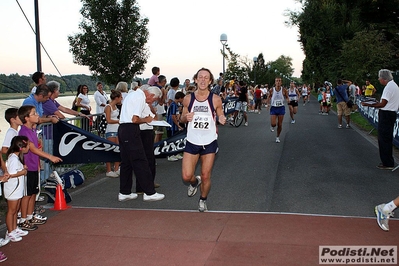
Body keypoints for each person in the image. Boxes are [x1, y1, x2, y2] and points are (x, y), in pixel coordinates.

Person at [180, 67, 226, 212]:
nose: (203, 80)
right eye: (200, 77)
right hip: (192, 141)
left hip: (209, 142)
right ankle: (194, 182)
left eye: (206, 77)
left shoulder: (215, 99)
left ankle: (203, 200)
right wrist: (185, 118)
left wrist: (222, 118)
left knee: (206, 175)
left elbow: (220, 114)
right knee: (187, 176)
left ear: (210, 81)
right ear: (195, 79)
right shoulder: (188, 98)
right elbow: (182, 117)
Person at [17, 105, 62, 231]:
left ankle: (30, 216)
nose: (37, 115)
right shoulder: (23, 132)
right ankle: (23, 219)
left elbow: (39, 123)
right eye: (34, 113)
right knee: (27, 194)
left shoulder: (32, 129)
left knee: (33, 193)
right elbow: (32, 148)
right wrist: (50, 157)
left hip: (34, 166)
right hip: (27, 167)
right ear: (26, 118)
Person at [118, 85, 165, 202]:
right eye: (153, 100)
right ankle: (149, 192)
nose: (152, 102)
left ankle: (124, 192)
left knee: (126, 162)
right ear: (151, 95)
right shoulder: (140, 97)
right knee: (140, 160)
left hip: (122, 128)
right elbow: (135, 119)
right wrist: (146, 120)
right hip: (130, 129)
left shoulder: (132, 95)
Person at [361, 69, 399, 169]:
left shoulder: (388, 87)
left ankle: (387, 162)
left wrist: (370, 104)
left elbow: (383, 104)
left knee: (384, 139)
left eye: (379, 78)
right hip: (391, 113)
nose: (378, 80)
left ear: (384, 78)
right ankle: (388, 161)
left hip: (386, 114)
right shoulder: (394, 85)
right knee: (387, 138)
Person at [4, 136, 30, 242]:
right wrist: (22, 172)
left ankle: (14, 228)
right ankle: (10, 231)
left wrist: (22, 168)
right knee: (12, 210)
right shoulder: (13, 158)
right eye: (27, 145)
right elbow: (11, 174)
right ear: (21, 148)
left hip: (17, 188)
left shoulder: (16, 157)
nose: (29, 147)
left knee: (15, 210)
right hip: (12, 188)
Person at [104, 90, 122, 178]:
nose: (121, 99)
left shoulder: (115, 107)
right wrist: (118, 121)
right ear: (116, 98)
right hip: (111, 130)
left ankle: (116, 168)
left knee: (118, 149)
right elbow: (108, 120)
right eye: (120, 97)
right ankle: (108, 170)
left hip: (117, 129)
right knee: (110, 150)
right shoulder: (108, 107)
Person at [268, 77, 289, 143]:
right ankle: (272, 126)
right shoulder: (272, 90)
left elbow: (287, 97)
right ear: (275, 82)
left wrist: (288, 100)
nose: (278, 82)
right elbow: (269, 97)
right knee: (273, 124)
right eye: (277, 81)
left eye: (279, 81)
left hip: (281, 108)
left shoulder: (284, 90)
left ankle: (277, 137)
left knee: (280, 124)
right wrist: (268, 104)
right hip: (274, 107)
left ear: (281, 82)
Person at [166, 91, 185, 162]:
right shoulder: (173, 105)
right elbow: (173, 116)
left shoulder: (176, 105)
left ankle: (175, 153)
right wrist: (178, 125)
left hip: (174, 125)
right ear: (180, 98)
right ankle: (170, 155)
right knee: (171, 140)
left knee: (175, 139)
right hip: (171, 125)